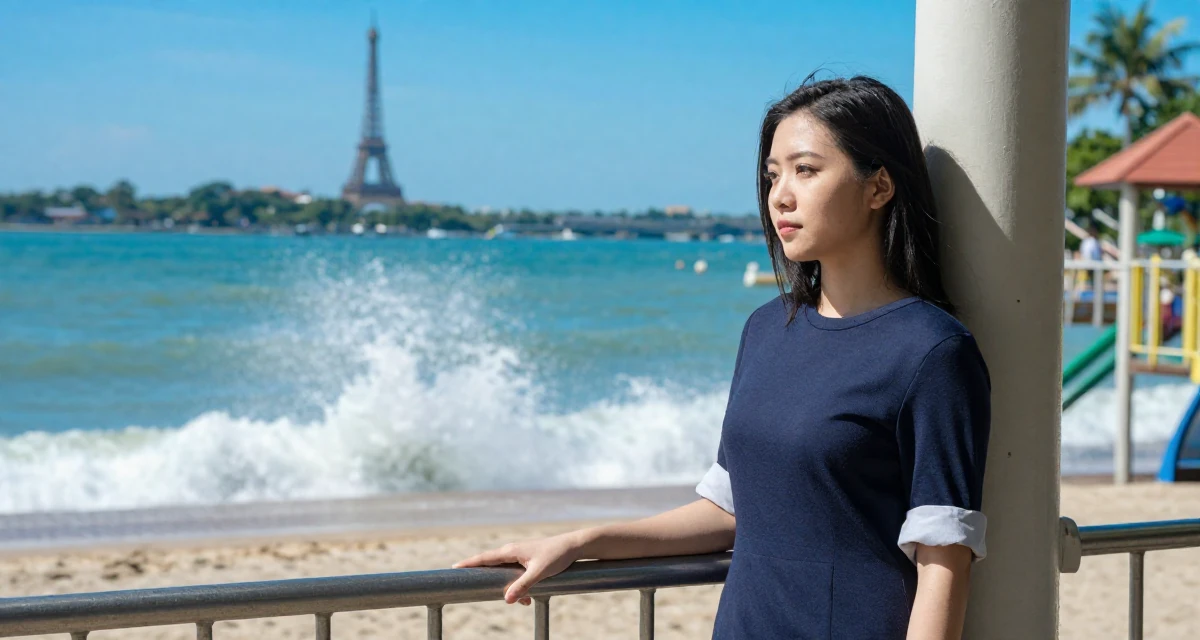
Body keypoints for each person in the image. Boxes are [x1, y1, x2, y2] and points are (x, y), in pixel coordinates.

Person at [454, 76, 991, 639]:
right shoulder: (766, 328)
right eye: (773, 175)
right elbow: (730, 511)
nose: (780, 195)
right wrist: (583, 542)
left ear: (878, 186)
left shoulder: (932, 351)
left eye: (806, 170)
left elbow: (944, 559)